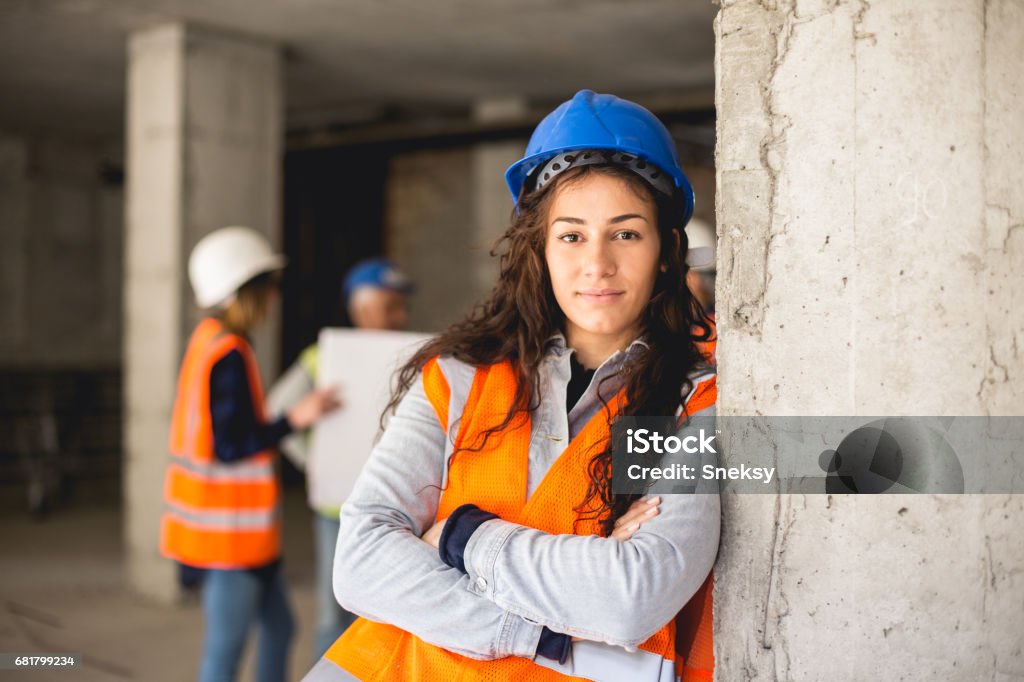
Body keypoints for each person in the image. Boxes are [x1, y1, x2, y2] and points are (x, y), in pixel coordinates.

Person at [304, 90, 719, 682]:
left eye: (625, 234)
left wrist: (457, 536)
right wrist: (533, 635)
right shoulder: (459, 375)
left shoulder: (696, 402)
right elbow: (361, 561)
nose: (596, 264)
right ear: (540, 249)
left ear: (666, 251)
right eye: (571, 235)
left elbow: (632, 594)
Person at [161, 226, 340, 682]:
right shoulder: (228, 353)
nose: (273, 299)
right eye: (267, 288)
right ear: (242, 292)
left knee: (280, 630)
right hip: (229, 541)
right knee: (225, 650)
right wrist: (295, 419)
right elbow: (231, 445)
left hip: (245, 536)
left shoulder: (210, 341)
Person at [267, 258, 415, 661]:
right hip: (338, 508)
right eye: (391, 306)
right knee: (334, 613)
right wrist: (315, 463)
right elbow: (276, 412)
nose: (400, 315)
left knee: (388, 613)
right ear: (362, 310)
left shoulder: (416, 356)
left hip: (400, 510)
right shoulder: (324, 356)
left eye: (402, 306)